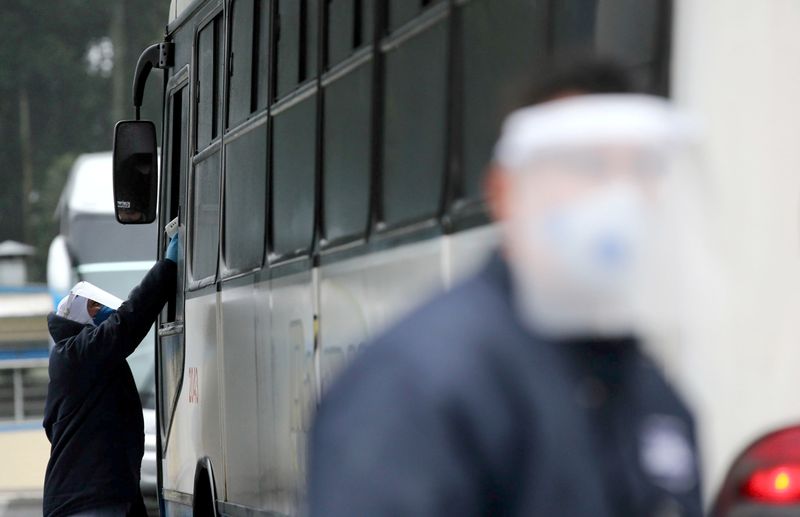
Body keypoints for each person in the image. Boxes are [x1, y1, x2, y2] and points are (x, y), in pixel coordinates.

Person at [308, 60, 705, 516]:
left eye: (642, 168)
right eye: (586, 165)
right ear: (503, 191)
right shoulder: (421, 383)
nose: (619, 196)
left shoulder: (646, 389)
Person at [43, 235, 179, 517]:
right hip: (90, 504)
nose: (103, 312)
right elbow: (127, 322)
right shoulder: (76, 354)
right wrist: (166, 267)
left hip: (101, 498)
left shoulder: (78, 357)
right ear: (78, 312)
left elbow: (51, 425)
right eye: (94, 307)